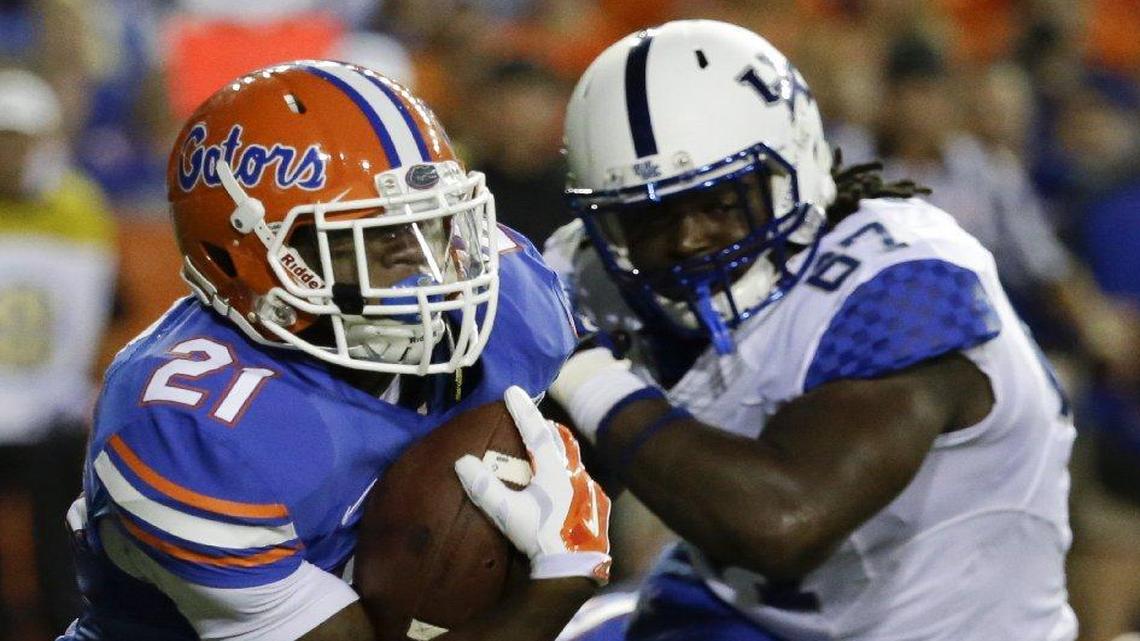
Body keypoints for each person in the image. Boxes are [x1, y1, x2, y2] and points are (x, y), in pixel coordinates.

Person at [544, 20, 1077, 641]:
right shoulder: (596, 278)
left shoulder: (901, 281)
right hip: (737, 612)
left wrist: (585, 374)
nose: (688, 240)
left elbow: (783, 523)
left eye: (719, 203)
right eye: (649, 215)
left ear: (792, 168)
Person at [57, 60, 611, 641]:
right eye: (375, 233)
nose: (425, 263)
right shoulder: (189, 426)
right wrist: (557, 585)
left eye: (432, 222)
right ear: (247, 257)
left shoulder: (508, 296)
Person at [0, 67, 117, 641]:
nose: (9, 155)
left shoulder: (77, 207)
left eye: (18, 140)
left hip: (51, 407)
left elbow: (80, 327)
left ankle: (67, 618)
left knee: (64, 528)